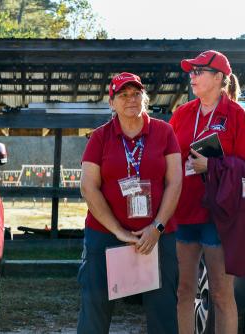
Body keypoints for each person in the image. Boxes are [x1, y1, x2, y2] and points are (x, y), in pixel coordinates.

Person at [77, 72, 182, 334]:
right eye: (123, 95)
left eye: (136, 94)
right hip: (106, 234)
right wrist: (117, 231)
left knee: (163, 310)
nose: (130, 100)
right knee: (95, 308)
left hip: (156, 235)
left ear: (144, 98)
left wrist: (156, 226)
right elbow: (88, 186)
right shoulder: (100, 137)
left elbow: (175, 182)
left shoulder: (164, 131)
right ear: (111, 103)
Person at [169, 50, 245, 334]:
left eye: (199, 72)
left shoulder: (237, 115)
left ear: (219, 77)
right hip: (183, 212)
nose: (192, 77)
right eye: (191, 72)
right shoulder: (182, 113)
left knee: (221, 293)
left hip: (218, 217)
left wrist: (213, 165)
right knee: (184, 290)